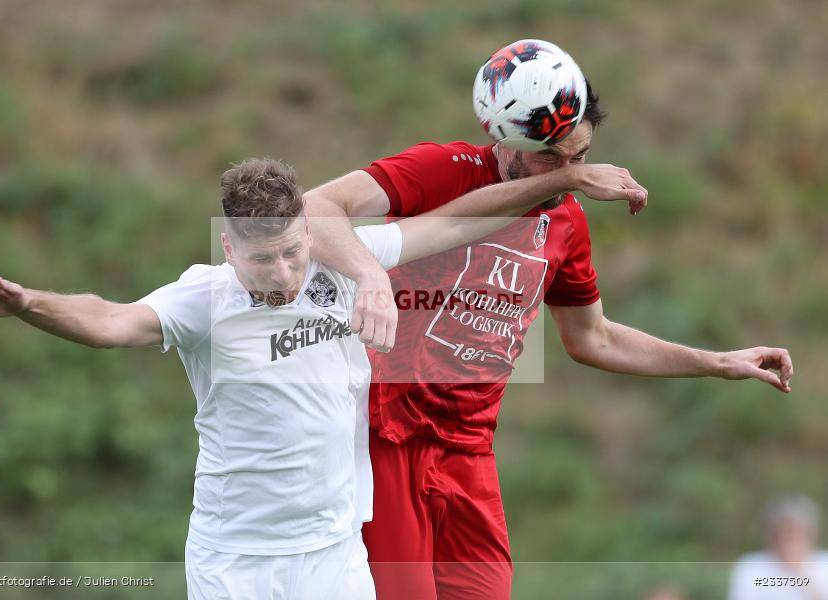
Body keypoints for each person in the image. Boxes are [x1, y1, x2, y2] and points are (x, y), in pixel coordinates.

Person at [303, 81, 795, 600]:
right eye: (550, 159)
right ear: (507, 140)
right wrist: (371, 275)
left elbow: (594, 338)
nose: (565, 173)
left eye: (579, 157)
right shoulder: (445, 169)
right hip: (388, 436)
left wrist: (717, 362)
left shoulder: (566, 220)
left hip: (469, 451)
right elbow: (316, 207)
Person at [0, 158, 533, 600]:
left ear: (309, 233)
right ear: (229, 247)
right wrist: (29, 302)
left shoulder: (345, 263)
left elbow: (461, 220)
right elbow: (112, 320)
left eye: (291, 253)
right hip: (237, 559)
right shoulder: (204, 299)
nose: (281, 274)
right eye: (261, 260)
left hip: (334, 554)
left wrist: (566, 178)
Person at [728, 494, 828, 600]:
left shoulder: (824, 564)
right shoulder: (751, 566)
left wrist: (799, 574)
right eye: (782, 532)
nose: (788, 539)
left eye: (795, 532)